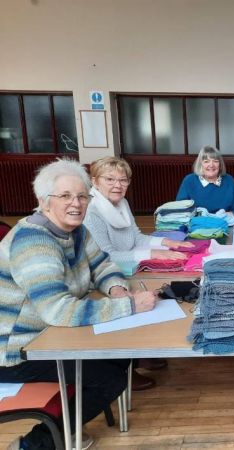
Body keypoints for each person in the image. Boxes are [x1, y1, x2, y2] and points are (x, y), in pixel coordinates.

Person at [0, 159, 157, 450]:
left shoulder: (76, 231)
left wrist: (118, 289)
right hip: (17, 351)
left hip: (50, 334)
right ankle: (35, 444)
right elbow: (58, 310)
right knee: (109, 379)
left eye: (82, 196)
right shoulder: (34, 241)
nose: (77, 203)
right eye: (66, 196)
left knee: (121, 355)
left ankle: (69, 422)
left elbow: (102, 265)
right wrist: (130, 307)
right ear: (43, 202)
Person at [85, 156, 193, 390]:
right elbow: (105, 255)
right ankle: (124, 371)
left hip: (125, 269)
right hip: (102, 278)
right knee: (134, 304)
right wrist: (151, 256)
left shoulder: (120, 204)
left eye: (123, 180)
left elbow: (137, 238)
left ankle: (140, 355)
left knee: (152, 298)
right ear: (94, 181)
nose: (118, 185)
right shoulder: (92, 211)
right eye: (110, 179)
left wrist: (168, 243)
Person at [176, 146, 234, 217]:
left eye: (215, 161)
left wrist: (231, 214)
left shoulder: (229, 180)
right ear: (200, 164)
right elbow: (180, 209)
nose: (211, 165)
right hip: (196, 224)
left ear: (220, 165)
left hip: (223, 224)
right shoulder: (189, 180)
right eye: (206, 161)